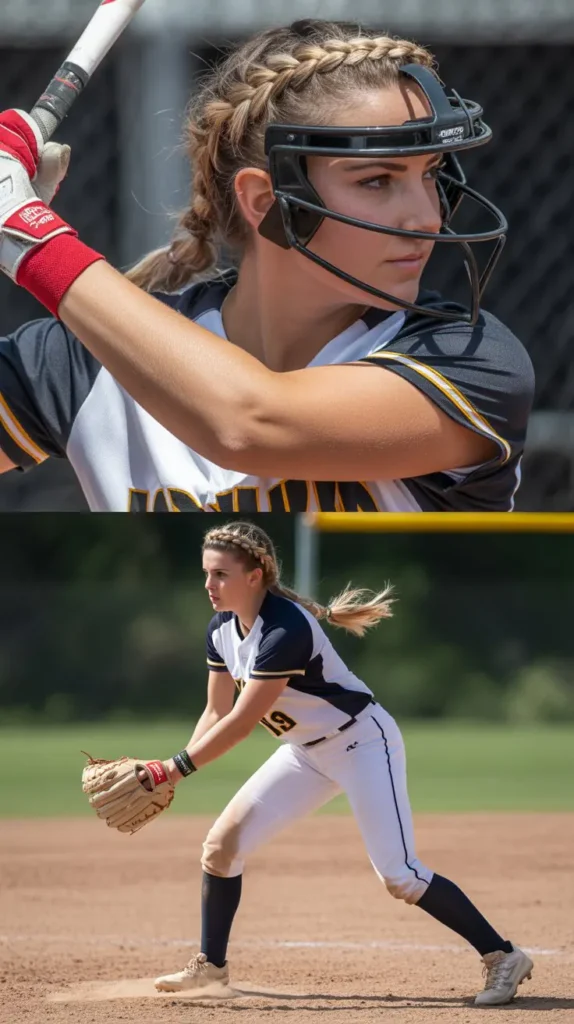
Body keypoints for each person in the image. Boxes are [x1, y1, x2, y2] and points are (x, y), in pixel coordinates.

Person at [0, 20, 534, 512]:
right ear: (264, 200)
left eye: (430, 174)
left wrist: (31, 237)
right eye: (377, 180)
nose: (427, 217)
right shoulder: (83, 360)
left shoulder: (471, 359)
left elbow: (247, 423)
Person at [147, 520, 534, 1006]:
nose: (208, 585)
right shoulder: (222, 629)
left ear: (255, 574)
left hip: (362, 744)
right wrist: (173, 772)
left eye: (220, 574)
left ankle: (503, 956)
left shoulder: (285, 628)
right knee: (220, 848)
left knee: (400, 875)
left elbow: (244, 722)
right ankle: (211, 968)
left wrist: (170, 768)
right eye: (206, 573)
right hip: (304, 752)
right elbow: (215, 711)